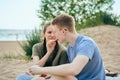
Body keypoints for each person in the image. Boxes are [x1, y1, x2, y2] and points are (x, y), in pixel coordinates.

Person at [29, 13, 106, 80]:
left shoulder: (86, 43)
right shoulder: (70, 47)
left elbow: (74, 69)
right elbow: (69, 71)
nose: (53, 36)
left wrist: (42, 70)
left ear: (63, 31)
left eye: (55, 32)